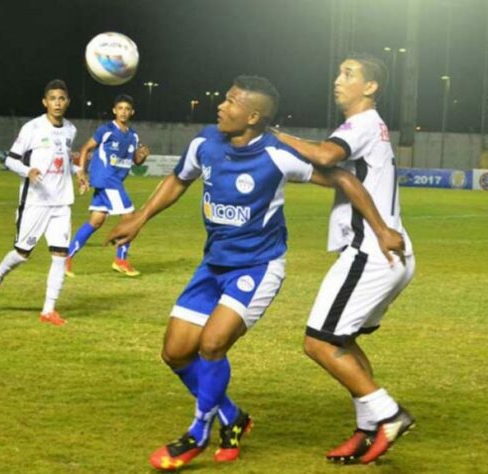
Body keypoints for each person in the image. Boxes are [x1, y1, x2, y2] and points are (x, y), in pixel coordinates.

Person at [106, 75, 404, 471]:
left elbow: (345, 178)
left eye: (230, 102)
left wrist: (382, 229)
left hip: (258, 267)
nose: (220, 107)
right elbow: (178, 180)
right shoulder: (205, 143)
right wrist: (139, 219)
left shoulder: (277, 154)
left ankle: (197, 434)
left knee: (212, 345)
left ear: (252, 116)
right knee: (175, 352)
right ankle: (233, 417)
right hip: (212, 265)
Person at [272, 53, 415, 464]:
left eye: (348, 74)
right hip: (388, 250)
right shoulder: (367, 126)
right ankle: (367, 428)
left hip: (372, 250)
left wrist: (276, 136)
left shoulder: (364, 123)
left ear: (370, 87)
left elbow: (326, 157)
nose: (338, 80)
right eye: (338, 71)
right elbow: (333, 172)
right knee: (343, 341)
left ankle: (388, 414)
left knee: (317, 342)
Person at [0, 79, 77, 326]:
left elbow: (64, 161)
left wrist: (79, 172)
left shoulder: (70, 130)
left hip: (61, 203)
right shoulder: (32, 128)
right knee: (23, 254)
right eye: (53, 98)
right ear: (45, 102)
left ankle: (48, 310)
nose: (57, 102)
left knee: (60, 255)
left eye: (62, 98)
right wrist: (28, 171)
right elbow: (11, 160)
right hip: (35, 202)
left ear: (67, 102)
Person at [66, 94, 150, 277]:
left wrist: (142, 156)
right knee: (131, 218)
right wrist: (81, 172)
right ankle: (121, 260)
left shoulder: (133, 136)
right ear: (114, 110)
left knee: (96, 221)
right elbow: (85, 148)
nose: (123, 112)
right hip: (107, 179)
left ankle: (66, 257)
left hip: (113, 182)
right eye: (120, 108)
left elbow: (136, 161)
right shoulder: (106, 130)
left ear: (132, 112)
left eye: (127, 109)